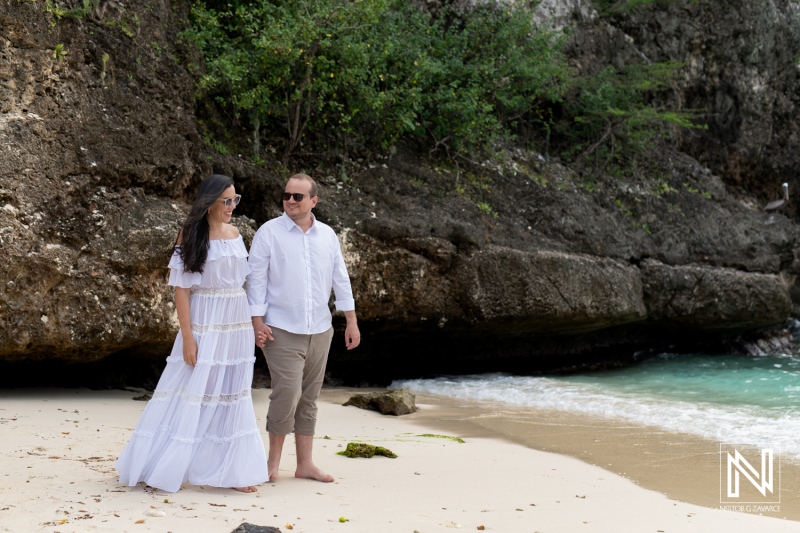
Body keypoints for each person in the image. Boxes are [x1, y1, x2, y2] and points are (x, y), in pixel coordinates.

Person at [115, 174, 269, 493]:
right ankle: (161, 463)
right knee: (192, 391)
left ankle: (233, 473)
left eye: (235, 200)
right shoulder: (190, 234)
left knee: (233, 393)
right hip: (204, 321)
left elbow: (248, 283)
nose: (231, 206)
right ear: (209, 201)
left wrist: (256, 322)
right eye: (226, 200)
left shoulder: (237, 233)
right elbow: (181, 290)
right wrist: (188, 337)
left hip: (236, 322)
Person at [247, 173, 361, 483]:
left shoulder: (327, 235)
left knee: (309, 397)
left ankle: (305, 464)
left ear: (313, 201)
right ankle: (272, 463)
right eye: (286, 195)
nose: (290, 201)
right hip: (280, 328)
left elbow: (341, 278)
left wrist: (350, 320)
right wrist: (257, 321)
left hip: (321, 328)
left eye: (298, 196)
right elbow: (255, 280)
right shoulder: (268, 233)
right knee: (287, 392)